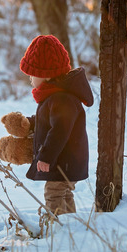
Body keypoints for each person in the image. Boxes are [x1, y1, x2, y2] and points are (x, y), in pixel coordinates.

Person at [20, 34, 94, 215]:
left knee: (54, 193)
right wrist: (30, 124)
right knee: (64, 193)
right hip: (66, 161)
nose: (30, 78)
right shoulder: (56, 96)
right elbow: (48, 121)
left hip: (64, 161)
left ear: (45, 75)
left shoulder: (61, 98)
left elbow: (59, 130)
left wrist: (45, 156)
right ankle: (68, 225)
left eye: (32, 73)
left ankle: (57, 227)